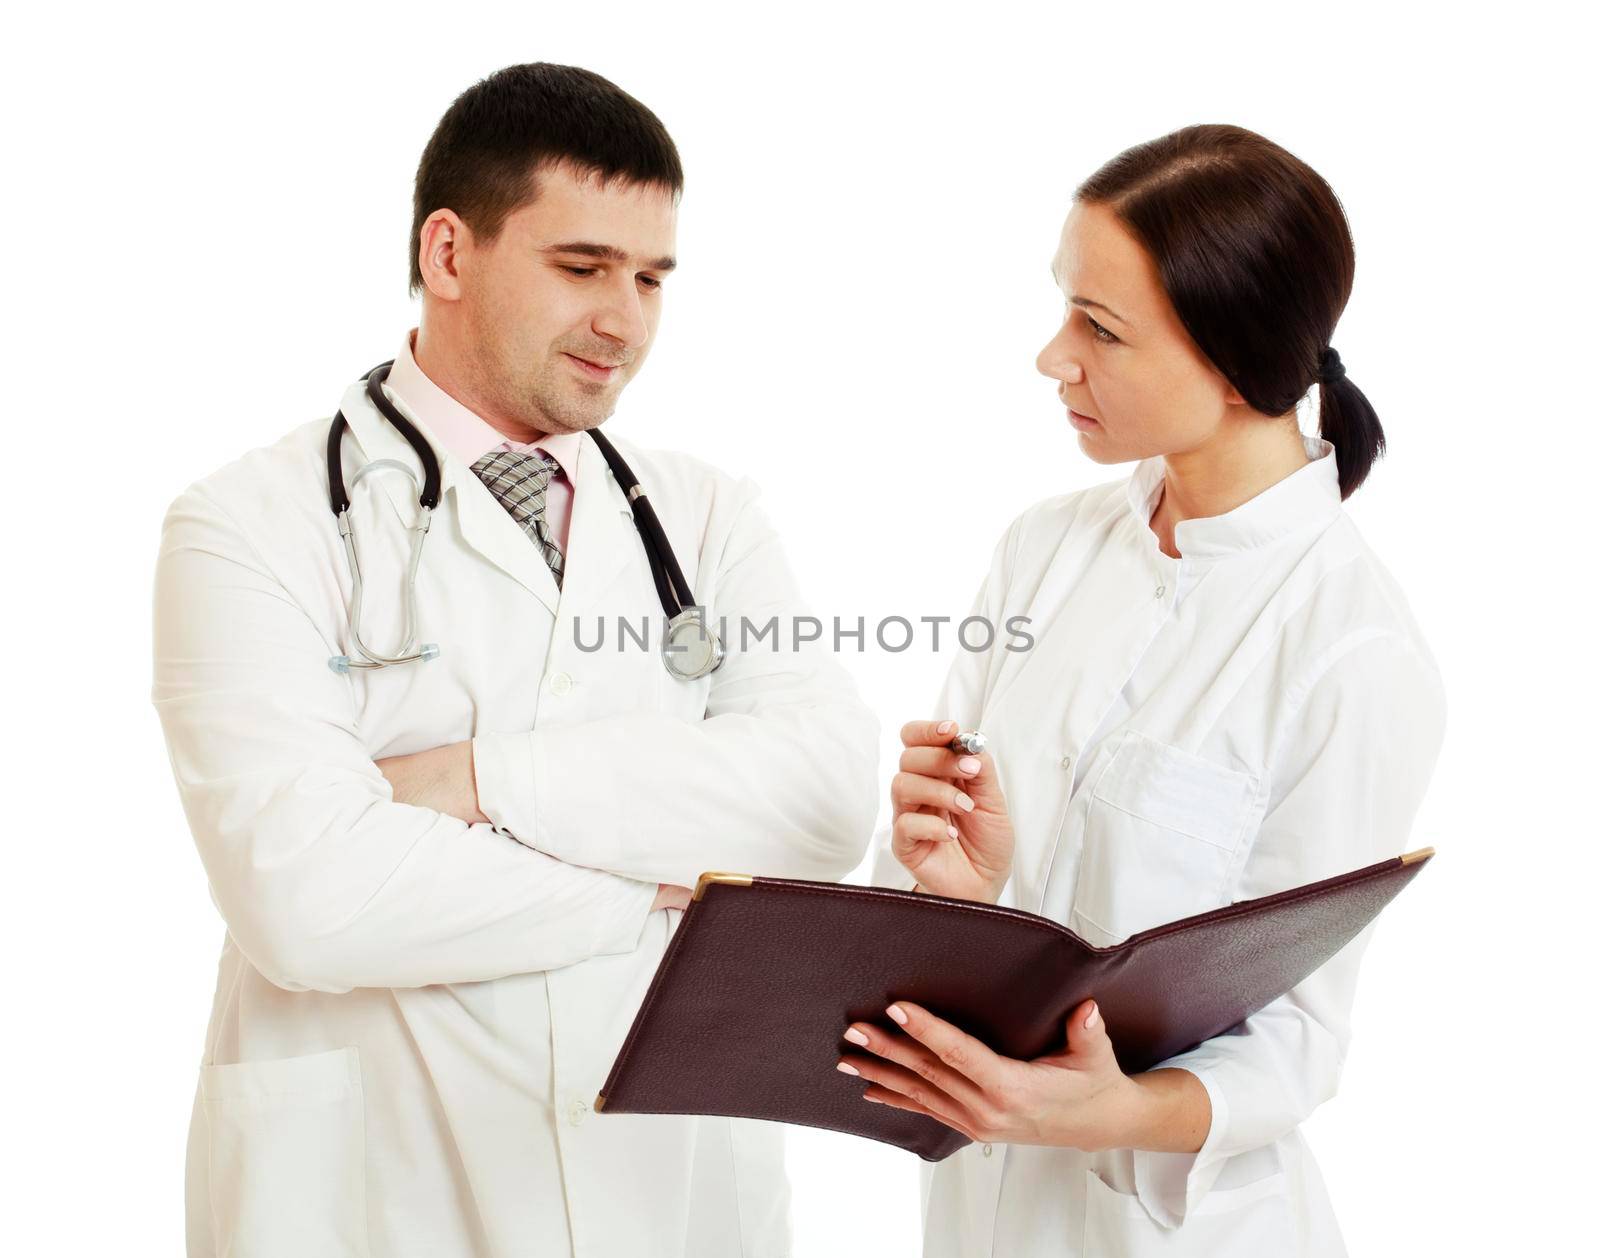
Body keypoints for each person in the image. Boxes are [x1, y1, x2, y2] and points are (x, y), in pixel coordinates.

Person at [151, 63, 878, 1258]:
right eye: (582, 267)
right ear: (448, 253)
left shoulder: (704, 516)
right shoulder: (251, 522)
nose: (626, 320)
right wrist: (664, 886)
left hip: (667, 1188)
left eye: (651, 278)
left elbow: (822, 803)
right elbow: (309, 900)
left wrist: (474, 783)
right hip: (383, 1192)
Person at [852, 125, 1446, 1256]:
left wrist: (1112, 1112)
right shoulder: (1042, 550)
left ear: (1233, 360)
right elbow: (943, 921)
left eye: (1100, 328)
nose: (1050, 357)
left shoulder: (1352, 650)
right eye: (1063, 307)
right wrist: (953, 889)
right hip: (978, 1213)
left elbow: (1294, 1044)